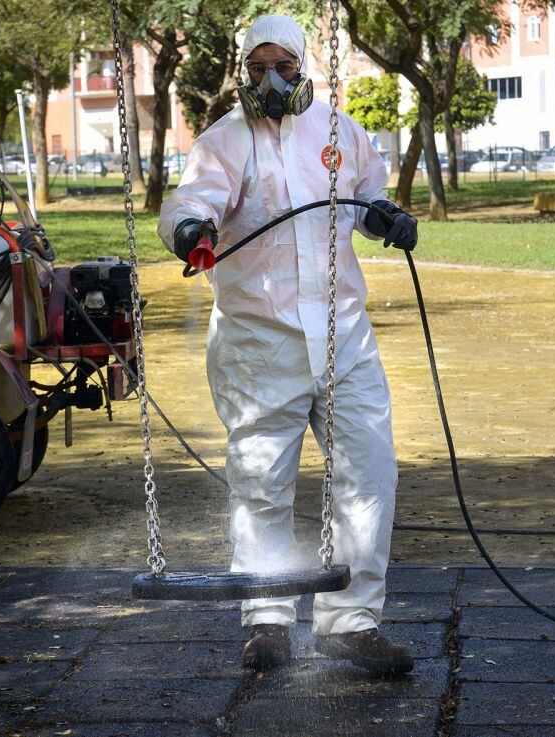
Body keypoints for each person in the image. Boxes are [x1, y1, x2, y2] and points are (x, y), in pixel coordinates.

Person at [157, 14, 418, 676]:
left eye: (284, 67)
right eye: (257, 68)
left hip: (343, 336)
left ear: (304, 68)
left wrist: (385, 215)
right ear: (244, 71)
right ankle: (268, 618)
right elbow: (190, 203)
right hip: (258, 342)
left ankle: (350, 621)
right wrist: (191, 230)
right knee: (261, 481)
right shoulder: (223, 141)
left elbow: (366, 197)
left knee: (369, 472)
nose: (271, 80)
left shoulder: (340, 132)